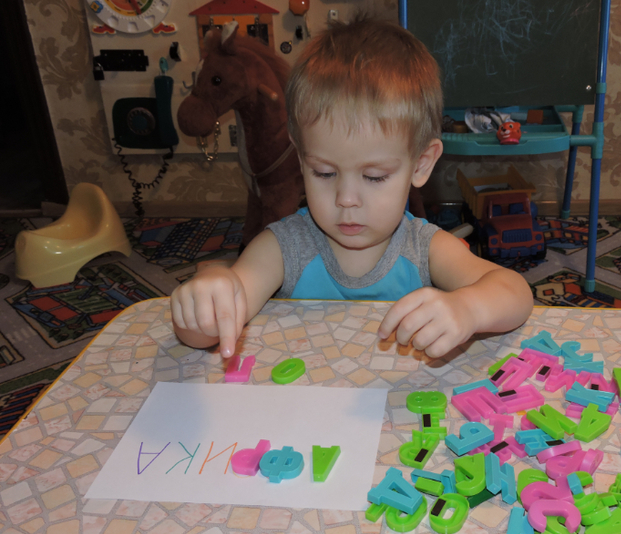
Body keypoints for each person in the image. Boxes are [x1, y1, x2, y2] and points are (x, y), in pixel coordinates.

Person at [171, 16, 533, 360]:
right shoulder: (283, 248)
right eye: (324, 172)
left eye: (374, 177)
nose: (346, 200)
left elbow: (515, 293)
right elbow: (205, 331)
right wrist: (210, 294)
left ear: (421, 164)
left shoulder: (424, 248)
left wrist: (468, 308)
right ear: (301, 160)